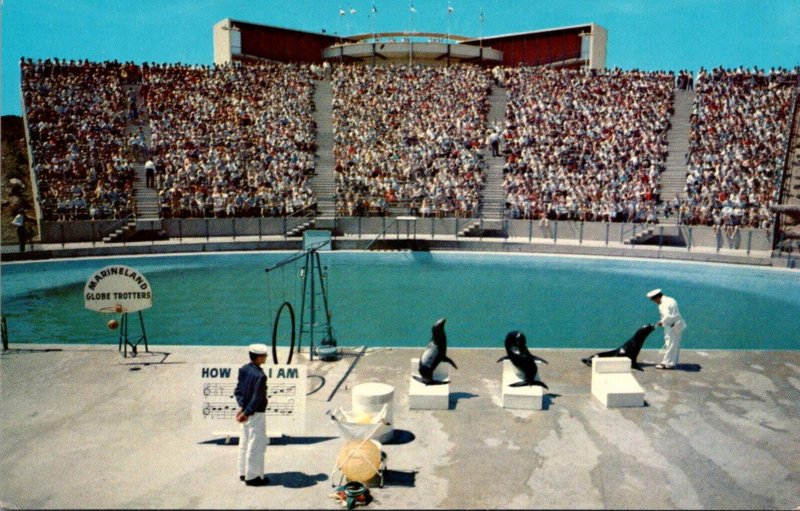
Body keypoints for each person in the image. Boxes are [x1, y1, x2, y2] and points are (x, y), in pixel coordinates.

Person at [234, 343, 270, 486]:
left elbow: (238, 391)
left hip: (246, 411)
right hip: (256, 413)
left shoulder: (243, 369)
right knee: (256, 445)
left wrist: (243, 408)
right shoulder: (261, 376)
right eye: (265, 356)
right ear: (259, 357)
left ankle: (243, 472)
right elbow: (258, 398)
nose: (266, 357)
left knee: (244, 442)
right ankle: (253, 477)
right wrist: (247, 412)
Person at [647, 289, 686, 369]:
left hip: (671, 327)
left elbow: (667, 316)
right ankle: (672, 362)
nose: (654, 302)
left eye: (653, 299)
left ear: (657, 297)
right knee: (675, 345)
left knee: (670, 345)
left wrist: (661, 322)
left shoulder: (663, 304)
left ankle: (666, 363)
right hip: (678, 324)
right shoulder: (671, 299)